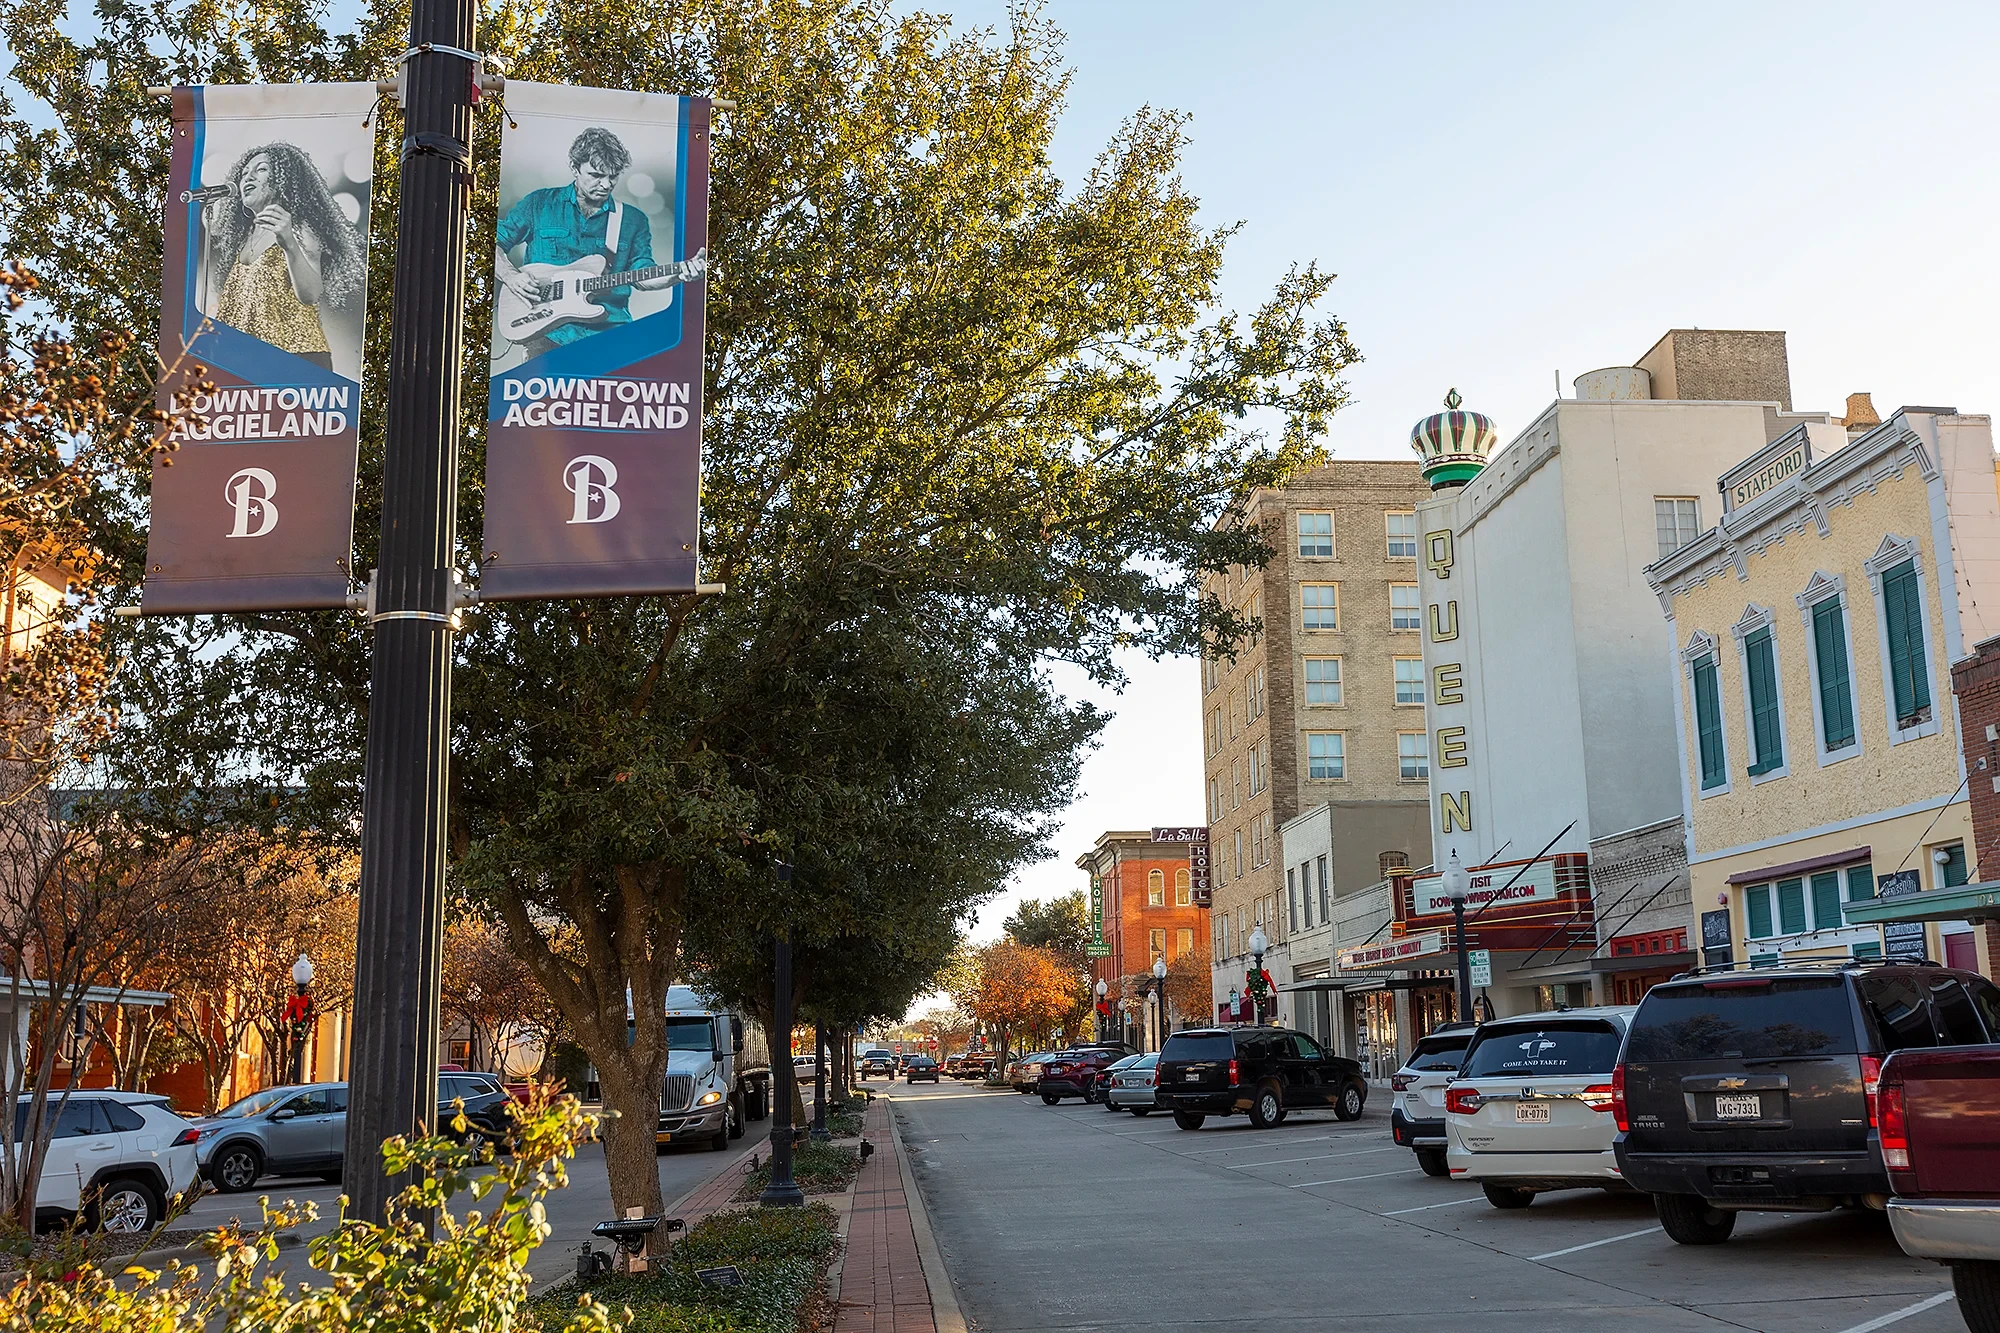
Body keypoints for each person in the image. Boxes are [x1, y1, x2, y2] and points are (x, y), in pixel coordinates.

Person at [493, 126, 694, 360]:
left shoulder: (632, 220)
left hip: (611, 338)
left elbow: (643, 275)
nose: (606, 185)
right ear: (574, 168)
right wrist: (511, 276)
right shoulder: (539, 203)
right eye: (597, 176)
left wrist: (678, 274)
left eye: (613, 176)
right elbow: (495, 244)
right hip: (547, 336)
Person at [204, 141, 364, 370]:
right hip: (248, 366)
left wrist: (289, 242)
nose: (248, 177)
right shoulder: (241, 242)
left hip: (298, 361)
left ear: (282, 179)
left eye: (261, 169)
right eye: (244, 173)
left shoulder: (301, 227)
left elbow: (310, 294)